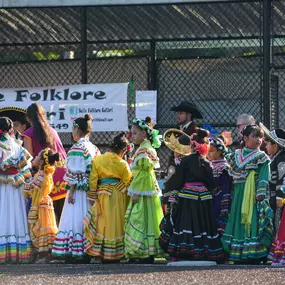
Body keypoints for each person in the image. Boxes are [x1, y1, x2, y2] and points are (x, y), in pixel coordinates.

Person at [159, 128, 224, 262]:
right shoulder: (207, 163)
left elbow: (178, 180)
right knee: (202, 224)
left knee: (187, 223)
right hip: (204, 199)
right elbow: (212, 184)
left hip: (187, 197)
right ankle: (203, 251)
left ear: (192, 145)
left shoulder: (186, 161)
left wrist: (172, 196)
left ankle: (187, 251)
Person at [51, 114, 100, 263]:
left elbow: (74, 173)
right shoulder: (94, 148)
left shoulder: (76, 148)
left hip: (78, 191)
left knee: (75, 218)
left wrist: (71, 191)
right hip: (91, 190)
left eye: (72, 129)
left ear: (77, 130)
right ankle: (88, 249)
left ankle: (75, 251)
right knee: (88, 218)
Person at [221, 125, 273, 264]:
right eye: (255, 136)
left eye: (260, 137)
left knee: (252, 219)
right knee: (237, 218)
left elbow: (264, 176)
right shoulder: (235, 155)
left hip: (253, 195)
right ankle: (238, 253)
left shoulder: (262, 157)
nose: (259, 140)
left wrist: (261, 193)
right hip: (238, 194)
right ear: (245, 138)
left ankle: (254, 253)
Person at [84, 132, 132, 262]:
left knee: (101, 222)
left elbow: (93, 180)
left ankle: (100, 253)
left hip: (101, 195)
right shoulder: (122, 163)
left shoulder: (98, 159)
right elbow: (128, 181)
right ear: (123, 150)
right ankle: (116, 253)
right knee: (116, 222)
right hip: (117, 195)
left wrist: (92, 197)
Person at [124, 116, 164, 263]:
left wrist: (135, 192)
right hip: (146, 189)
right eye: (132, 133)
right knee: (147, 218)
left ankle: (141, 250)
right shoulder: (145, 148)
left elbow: (142, 175)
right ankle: (147, 250)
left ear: (144, 134)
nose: (131, 136)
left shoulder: (144, 150)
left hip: (142, 190)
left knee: (140, 217)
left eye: (134, 133)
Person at [23, 103, 67, 222]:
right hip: (63, 175)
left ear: (28, 118)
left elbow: (29, 160)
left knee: (47, 218)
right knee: (63, 217)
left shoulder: (28, 134)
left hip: (47, 178)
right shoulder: (53, 130)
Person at [0, 117, 32, 264]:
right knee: (15, 214)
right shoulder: (18, 146)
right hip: (16, 184)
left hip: (3, 185)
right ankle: (18, 252)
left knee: (3, 214)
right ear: (12, 129)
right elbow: (26, 170)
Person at [24, 148, 61, 263]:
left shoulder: (40, 176)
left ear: (41, 162)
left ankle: (43, 255)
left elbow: (29, 192)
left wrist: (24, 182)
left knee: (40, 229)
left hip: (40, 206)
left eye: (36, 156)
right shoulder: (45, 174)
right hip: (46, 205)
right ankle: (47, 254)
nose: (34, 158)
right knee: (46, 229)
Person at [260, 123, 285, 235]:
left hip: (280, 200)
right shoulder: (276, 157)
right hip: (274, 198)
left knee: (279, 224)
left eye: (268, 144)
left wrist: (280, 196)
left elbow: (283, 177)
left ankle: (281, 248)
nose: (265, 147)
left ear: (275, 146)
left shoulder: (281, 158)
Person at [208, 136, 232, 236]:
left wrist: (224, 206)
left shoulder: (224, 168)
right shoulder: (207, 165)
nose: (208, 154)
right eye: (207, 151)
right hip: (209, 200)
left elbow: (227, 188)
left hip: (219, 201)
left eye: (211, 151)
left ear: (219, 151)